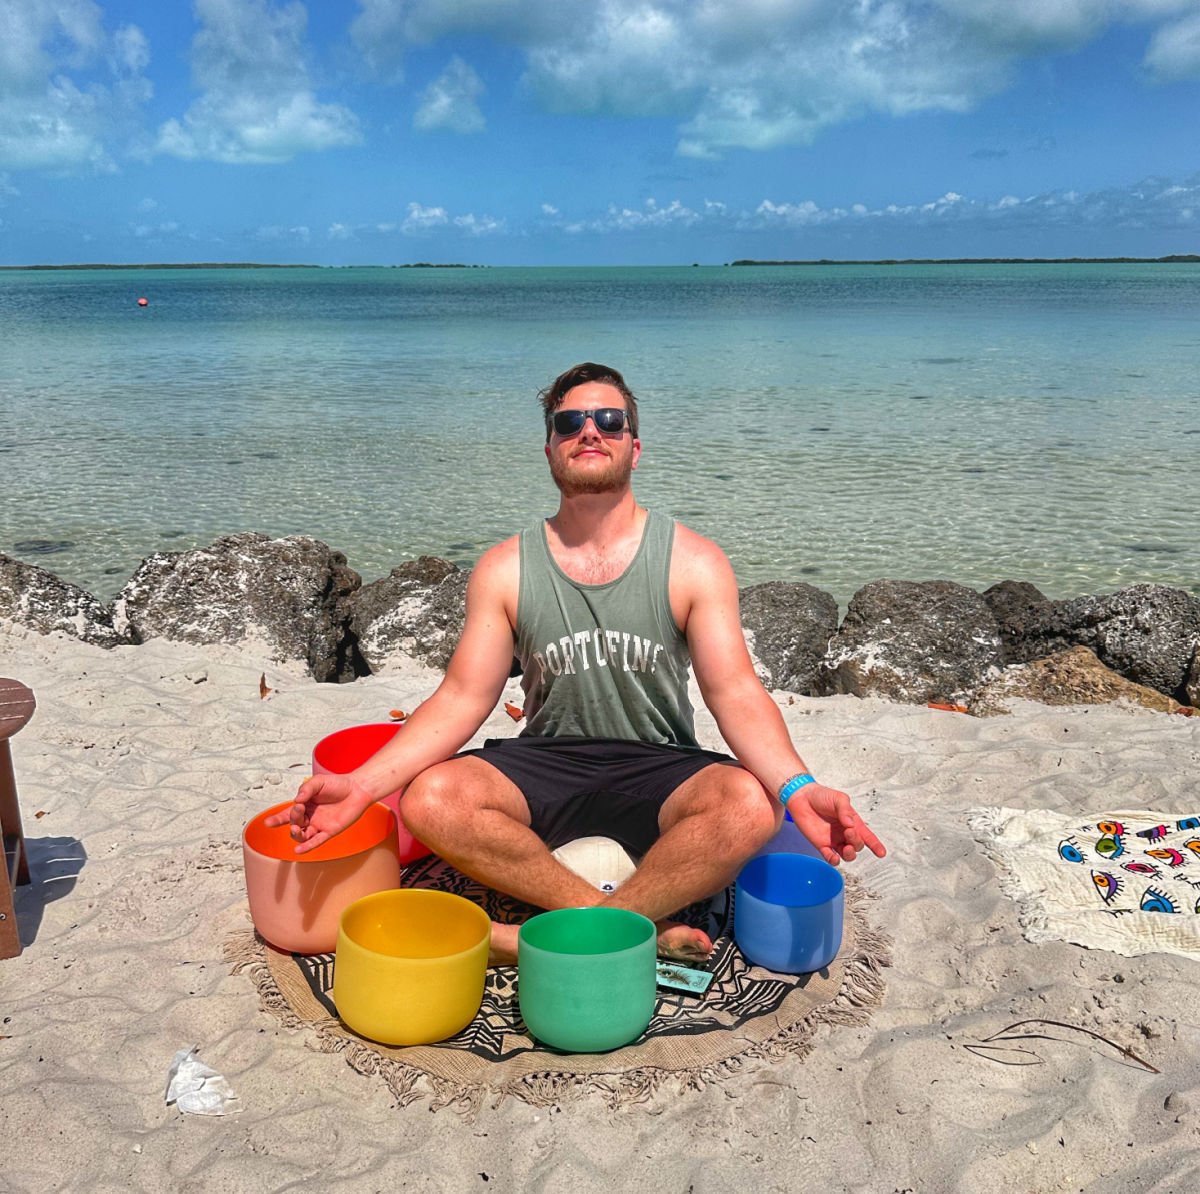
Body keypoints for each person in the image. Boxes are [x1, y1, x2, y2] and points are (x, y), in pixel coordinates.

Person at [268, 362, 885, 964]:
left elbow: (736, 693)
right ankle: (635, 921)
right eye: (571, 424)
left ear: (634, 447)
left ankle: (540, 934)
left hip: (661, 767)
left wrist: (800, 787)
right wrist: (364, 785)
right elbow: (461, 698)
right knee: (429, 799)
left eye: (608, 420)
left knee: (753, 805)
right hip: (545, 765)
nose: (590, 431)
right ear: (550, 450)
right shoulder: (505, 568)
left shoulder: (693, 562)